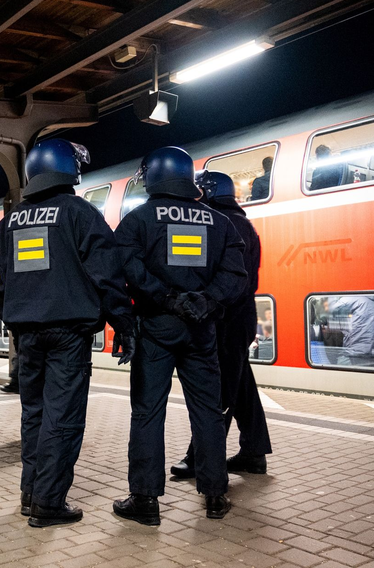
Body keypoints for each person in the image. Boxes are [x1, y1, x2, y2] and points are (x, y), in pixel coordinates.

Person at [0, 139, 135, 528]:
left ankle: (30, 493)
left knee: (34, 414)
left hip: (27, 336)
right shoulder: (79, 213)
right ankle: (48, 503)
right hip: (68, 334)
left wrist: (14, 322)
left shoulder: (11, 221)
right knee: (63, 418)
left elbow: (1, 283)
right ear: (66, 168)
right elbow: (106, 275)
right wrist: (123, 322)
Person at [113, 147, 247, 525]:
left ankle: (145, 501)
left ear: (154, 176)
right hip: (201, 331)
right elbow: (236, 276)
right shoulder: (219, 222)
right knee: (206, 411)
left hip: (156, 327)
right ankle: (216, 495)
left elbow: (127, 269)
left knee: (147, 413)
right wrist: (206, 300)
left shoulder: (137, 221)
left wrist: (166, 297)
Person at [171, 171, 271, 480]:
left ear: (206, 193)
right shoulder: (243, 223)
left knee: (218, 390)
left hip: (225, 318)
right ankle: (254, 452)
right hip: (240, 316)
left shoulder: (219, 223)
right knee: (241, 386)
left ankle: (199, 457)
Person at [329, 296, 374, 367]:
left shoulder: (352, 297)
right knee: (371, 374)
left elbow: (332, 310)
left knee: (357, 375)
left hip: (358, 346)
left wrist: (346, 330)